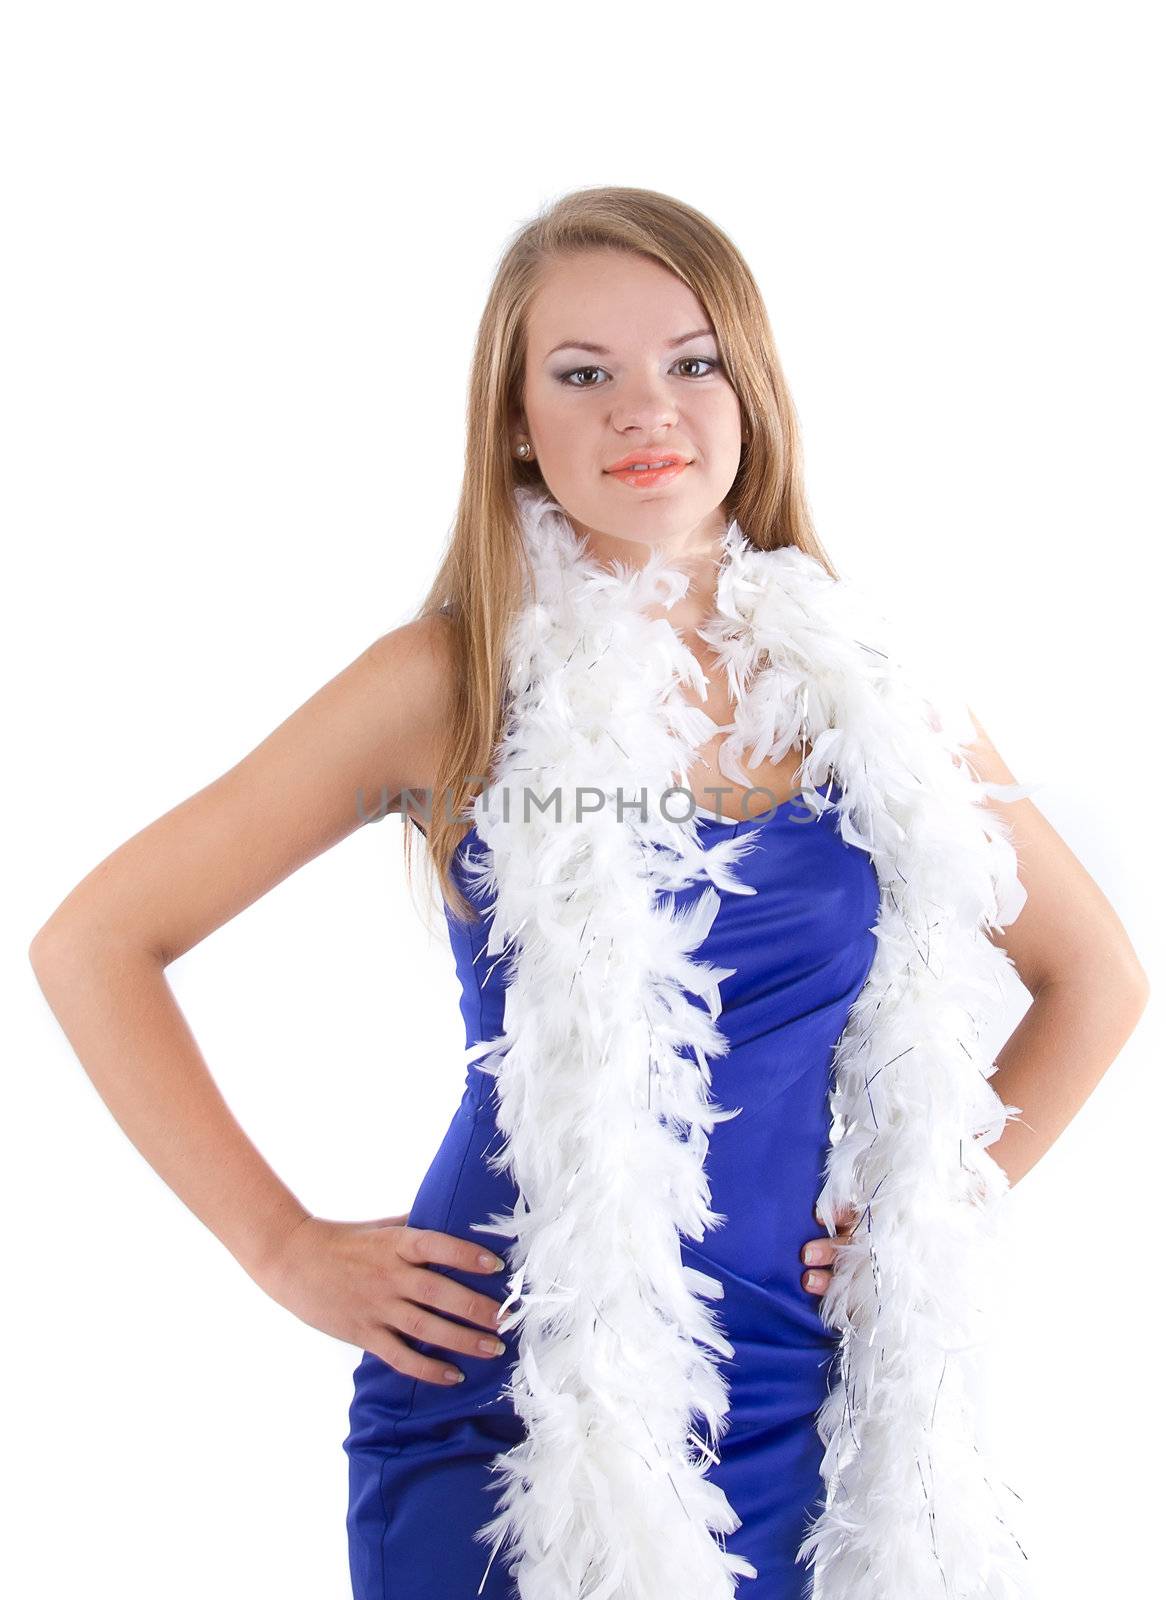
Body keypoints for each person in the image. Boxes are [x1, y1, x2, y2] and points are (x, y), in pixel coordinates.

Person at [29, 186, 1150, 1600]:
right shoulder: (449, 681)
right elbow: (97, 940)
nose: (644, 411)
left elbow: (1094, 975)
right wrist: (280, 1245)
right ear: (514, 417)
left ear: (749, 390)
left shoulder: (874, 686)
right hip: (501, 1382)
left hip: (797, 1391)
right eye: (582, 375)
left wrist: (934, 1211)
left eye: (689, 362)